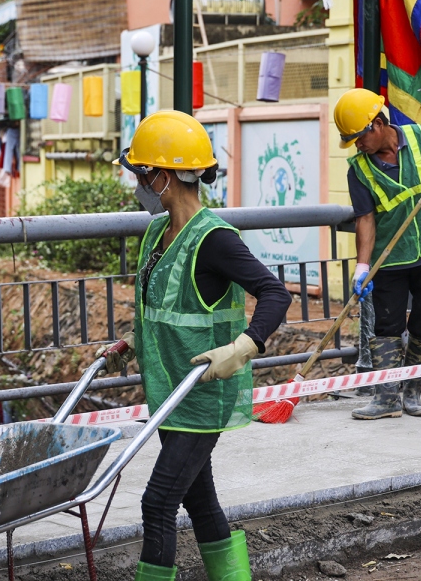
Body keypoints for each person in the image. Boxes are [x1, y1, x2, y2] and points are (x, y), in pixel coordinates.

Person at [98, 110, 291, 581]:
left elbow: (275, 293)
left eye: (140, 176)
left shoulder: (215, 239)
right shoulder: (157, 233)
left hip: (202, 393)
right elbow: (164, 306)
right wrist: (129, 341)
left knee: (157, 501)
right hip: (168, 390)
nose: (137, 186)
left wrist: (242, 348)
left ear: (162, 177)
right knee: (199, 497)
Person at [335, 89, 421, 420]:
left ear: (377, 124)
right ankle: (386, 397)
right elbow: (365, 220)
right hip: (389, 259)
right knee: (387, 326)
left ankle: (413, 394)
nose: (357, 145)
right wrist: (363, 267)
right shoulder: (358, 170)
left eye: (358, 137)